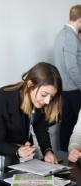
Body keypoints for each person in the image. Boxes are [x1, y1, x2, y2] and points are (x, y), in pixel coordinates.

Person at [0, 62, 62, 166]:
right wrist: (18, 151)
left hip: (19, 143)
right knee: (6, 168)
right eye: (44, 94)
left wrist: (47, 151)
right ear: (30, 84)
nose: (48, 101)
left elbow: (41, 129)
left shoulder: (41, 101)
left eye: (52, 96)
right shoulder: (2, 98)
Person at [54, 5, 81, 151]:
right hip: (74, 88)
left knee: (67, 123)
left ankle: (65, 154)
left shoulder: (61, 34)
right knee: (75, 125)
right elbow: (72, 67)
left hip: (64, 88)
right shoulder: (70, 36)